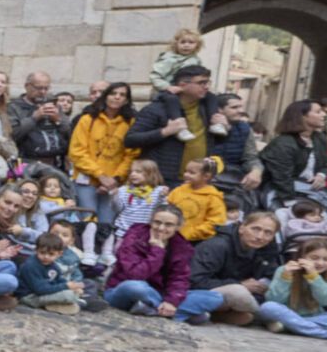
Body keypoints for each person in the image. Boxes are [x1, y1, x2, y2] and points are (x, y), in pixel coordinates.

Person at [124, 63, 230, 186]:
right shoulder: (157, 109)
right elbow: (130, 140)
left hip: (197, 181)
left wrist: (225, 128)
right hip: (164, 180)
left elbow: (215, 142)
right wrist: (166, 131)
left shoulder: (207, 108)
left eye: (208, 83)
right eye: (201, 83)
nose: (206, 87)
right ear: (182, 85)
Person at [180, 209, 281, 325]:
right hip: (198, 293)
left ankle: (219, 316)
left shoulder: (265, 251)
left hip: (233, 298)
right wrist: (240, 284)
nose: (260, 236)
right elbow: (194, 281)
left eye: (268, 233)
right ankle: (267, 318)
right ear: (242, 228)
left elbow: (271, 275)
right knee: (237, 292)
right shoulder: (217, 246)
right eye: (255, 229)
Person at [258, 237, 327, 339]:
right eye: (314, 258)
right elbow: (274, 300)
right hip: (285, 313)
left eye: (326, 259)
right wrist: (285, 278)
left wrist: (314, 277)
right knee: (268, 307)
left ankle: (290, 326)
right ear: (302, 257)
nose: (320, 263)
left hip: (315, 316)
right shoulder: (284, 270)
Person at [104, 203, 195, 317]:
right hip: (122, 290)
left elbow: (179, 278)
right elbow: (135, 275)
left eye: (168, 225)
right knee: (135, 287)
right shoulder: (135, 235)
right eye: (157, 222)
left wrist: (171, 301)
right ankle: (177, 312)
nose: (161, 228)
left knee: (213, 297)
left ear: (178, 227)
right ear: (150, 222)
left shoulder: (181, 246)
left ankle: (155, 308)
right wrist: (157, 250)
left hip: (159, 293)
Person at [68, 81, 135, 230]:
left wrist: (115, 179)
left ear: (127, 100)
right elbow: (77, 151)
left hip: (113, 183)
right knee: (87, 222)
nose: (117, 97)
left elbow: (131, 155)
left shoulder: (130, 123)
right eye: (113, 93)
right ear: (106, 96)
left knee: (107, 224)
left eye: (122, 95)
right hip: (87, 180)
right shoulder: (87, 119)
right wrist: (100, 175)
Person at [261, 99, 327, 213]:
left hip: (310, 192)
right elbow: (282, 178)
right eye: (318, 112)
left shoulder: (319, 138)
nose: (324, 115)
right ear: (302, 116)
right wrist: (292, 205)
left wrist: (321, 176)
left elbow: (324, 164)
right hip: (282, 194)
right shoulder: (283, 143)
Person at [210, 91, 265, 207]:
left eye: (241, 107)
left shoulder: (244, 128)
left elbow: (250, 156)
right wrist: (224, 129)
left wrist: (256, 171)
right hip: (208, 177)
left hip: (234, 179)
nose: (240, 111)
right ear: (220, 109)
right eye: (234, 107)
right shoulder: (205, 124)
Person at [18, 229, 84, 313]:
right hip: (29, 297)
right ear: (36, 250)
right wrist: (66, 286)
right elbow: (40, 289)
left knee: (73, 292)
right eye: (42, 252)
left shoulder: (53, 265)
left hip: (43, 293)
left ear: (59, 254)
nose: (46, 256)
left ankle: (55, 305)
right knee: (69, 295)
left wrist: (74, 287)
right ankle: (59, 304)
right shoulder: (31, 265)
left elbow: (58, 279)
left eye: (51, 254)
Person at [166, 155, 227, 242]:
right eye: (185, 171)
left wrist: (189, 233)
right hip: (170, 236)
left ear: (206, 176)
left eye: (192, 173)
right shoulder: (178, 190)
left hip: (195, 241)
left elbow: (215, 223)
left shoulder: (213, 197)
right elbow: (166, 208)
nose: (186, 175)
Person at [149, 27, 204, 97]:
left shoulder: (196, 60)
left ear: (197, 45)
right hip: (168, 92)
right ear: (176, 44)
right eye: (183, 42)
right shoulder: (169, 58)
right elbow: (155, 76)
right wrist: (167, 87)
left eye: (191, 42)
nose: (186, 45)